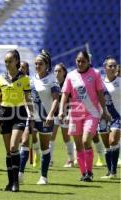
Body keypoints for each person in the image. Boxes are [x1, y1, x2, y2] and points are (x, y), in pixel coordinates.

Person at [0, 50, 34, 192]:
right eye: (6, 61)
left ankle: (16, 183)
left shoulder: (24, 79)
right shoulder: (0, 78)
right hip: (4, 114)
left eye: (10, 61)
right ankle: (10, 182)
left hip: (19, 114)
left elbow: (28, 99)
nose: (7, 64)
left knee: (13, 147)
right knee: (8, 152)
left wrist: (32, 114)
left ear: (17, 61)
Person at [58, 51, 110, 182]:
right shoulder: (70, 76)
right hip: (75, 114)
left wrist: (104, 110)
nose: (80, 64)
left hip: (92, 113)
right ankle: (84, 173)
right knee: (78, 144)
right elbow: (65, 94)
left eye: (83, 61)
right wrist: (61, 111)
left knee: (86, 140)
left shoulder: (95, 74)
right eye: (78, 61)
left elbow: (100, 93)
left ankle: (90, 172)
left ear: (88, 61)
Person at [31, 50, 60, 185]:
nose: (37, 66)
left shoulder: (52, 79)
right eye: (36, 63)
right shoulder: (32, 78)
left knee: (44, 147)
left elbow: (56, 99)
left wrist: (50, 114)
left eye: (40, 64)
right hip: (32, 117)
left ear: (46, 65)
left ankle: (44, 177)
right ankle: (19, 174)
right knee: (24, 141)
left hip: (45, 117)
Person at [98, 56, 120, 179]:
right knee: (107, 145)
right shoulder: (100, 84)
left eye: (114, 65)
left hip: (118, 116)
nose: (113, 68)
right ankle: (110, 171)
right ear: (105, 68)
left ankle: (113, 172)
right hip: (103, 116)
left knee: (113, 141)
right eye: (110, 66)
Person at [50, 63, 75, 167]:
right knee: (51, 137)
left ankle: (71, 159)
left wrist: (69, 114)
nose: (57, 73)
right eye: (55, 71)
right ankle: (49, 160)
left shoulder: (67, 84)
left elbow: (71, 101)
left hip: (64, 114)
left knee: (66, 138)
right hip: (54, 114)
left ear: (64, 72)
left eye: (59, 71)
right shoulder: (52, 83)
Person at [19, 61, 41, 169]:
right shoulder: (14, 81)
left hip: (30, 111)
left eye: (23, 67)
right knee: (21, 138)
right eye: (19, 67)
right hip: (18, 112)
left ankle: (37, 153)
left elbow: (32, 97)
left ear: (27, 69)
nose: (21, 69)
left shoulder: (31, 82)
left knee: (32, 137)